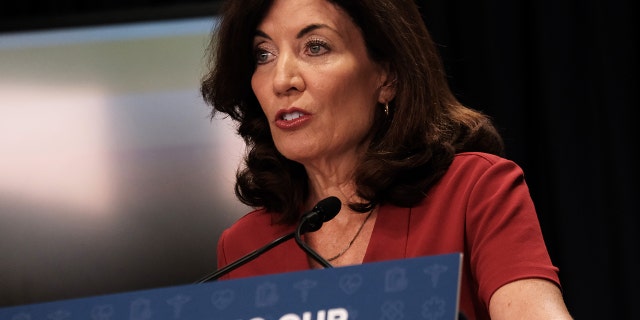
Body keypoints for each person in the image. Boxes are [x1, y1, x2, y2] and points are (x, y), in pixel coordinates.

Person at [200, 0, 573, 319]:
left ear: (387, 76)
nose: (282, 79)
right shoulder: (244, 247)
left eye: (315, 47)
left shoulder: (475, 190)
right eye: (263, 54)